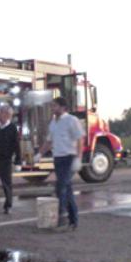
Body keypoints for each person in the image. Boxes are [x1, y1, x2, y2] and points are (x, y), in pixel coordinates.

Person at [35, 98, 85, 230]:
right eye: (52, 105)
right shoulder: (53, 122)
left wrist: (78, 158)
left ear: (63, 107)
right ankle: (73, 221)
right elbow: (49, 141)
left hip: (69, 158)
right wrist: (39, 154)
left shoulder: (71, 120)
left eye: (55, 106)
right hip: (58, 158)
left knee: (60, 186)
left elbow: (80, 139)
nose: (52, 108)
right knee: (67, 190)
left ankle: (62, 217)